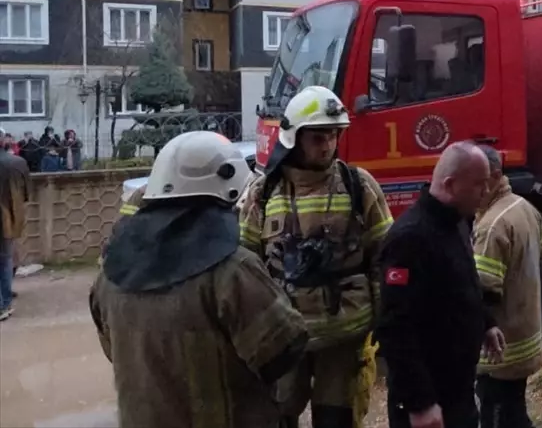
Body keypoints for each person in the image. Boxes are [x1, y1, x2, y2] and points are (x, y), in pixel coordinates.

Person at [89, 131, 309, 427]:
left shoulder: (110, 273)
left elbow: (114, 351)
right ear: (228, 189)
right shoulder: (233, 271)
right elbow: (284, 350)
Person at [238, 85, 394, 428]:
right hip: (284, 338)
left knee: (336, 420)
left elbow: (386, 255)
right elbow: (245, 265)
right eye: (318, 137)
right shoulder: (265, 193)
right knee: (276, 416)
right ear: (295, 139)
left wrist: (387, 321)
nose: (327, 145)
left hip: (345, 335)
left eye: (333, 136)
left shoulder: (359, 185)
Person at [376, 141, 505, 428]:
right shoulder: (410, 240)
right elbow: (395, 328)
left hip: (458, 391)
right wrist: (420, 403)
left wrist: (485, 322)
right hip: (428, 402)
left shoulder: (458, 221)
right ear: (450, 184)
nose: (486, 192)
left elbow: (461, 282)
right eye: (478, 184)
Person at [472, 145, 542, 428]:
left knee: (498, 417)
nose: (473, 188)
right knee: (515, 413)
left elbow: (484, 293)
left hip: (501, 353)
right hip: (526, 339)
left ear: (493, 177)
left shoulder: (492, 226)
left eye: (477, 180)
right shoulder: (525, 207)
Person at [0, 147, 32, 321]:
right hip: (9, 219)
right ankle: (5, 302)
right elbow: (27, 194)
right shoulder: (18, 163)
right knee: (6, 259)